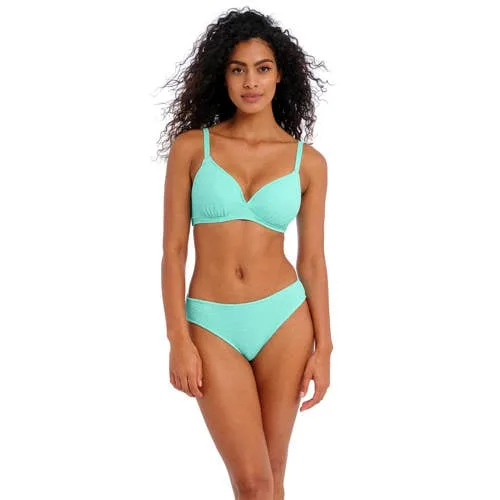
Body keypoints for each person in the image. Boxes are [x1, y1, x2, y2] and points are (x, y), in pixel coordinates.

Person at [158, 7, 333, 500]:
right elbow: (172, 251)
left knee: (272, 479)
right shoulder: (193, 148)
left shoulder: (308, 162)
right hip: (212, 322)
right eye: (238, 69)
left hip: (285, 319)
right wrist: (177, 338)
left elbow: (313, 261)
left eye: (262, 68)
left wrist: (325, 348)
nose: (250, 82)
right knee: (253, 482)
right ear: (224, 76)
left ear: (281, 75)